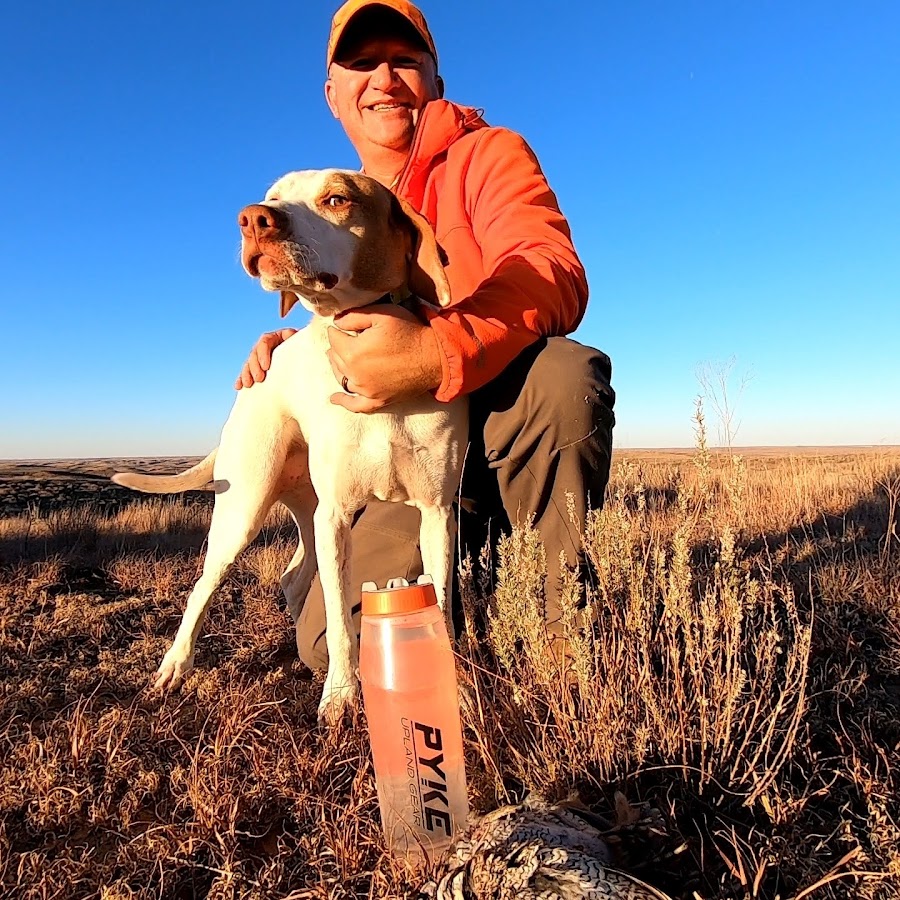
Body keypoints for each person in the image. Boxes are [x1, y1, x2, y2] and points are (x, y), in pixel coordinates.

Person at [235, 0, 615, 670]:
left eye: (403, 60)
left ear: (435, 80)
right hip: (395, 454)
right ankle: (476, 582)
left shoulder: (488, 155)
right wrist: (291, 351)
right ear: (333, 94)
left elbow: (551, 268)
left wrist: (437, 349)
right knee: (340, 649)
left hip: (499, 417)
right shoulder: (327, 204)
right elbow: (339, 319)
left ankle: (561, 641)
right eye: (360, 63)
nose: (383, 76)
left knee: (562, 376)